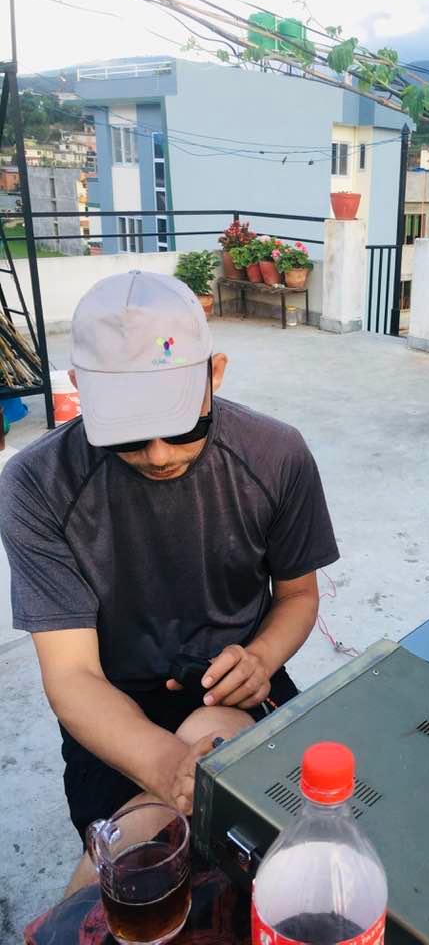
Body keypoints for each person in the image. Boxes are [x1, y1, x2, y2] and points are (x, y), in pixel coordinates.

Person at [0, 271, 339, 889]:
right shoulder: (36, 486)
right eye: (128, 433)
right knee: (131, 872)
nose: (159, 454)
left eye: (182, 425)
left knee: (284, 861)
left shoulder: (275, 454)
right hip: (113, 699)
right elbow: (72, 676)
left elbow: (296, 594)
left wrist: (262, 655)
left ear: (215, 373)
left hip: (233, 681)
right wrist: (172, 768)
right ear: (80, 390)